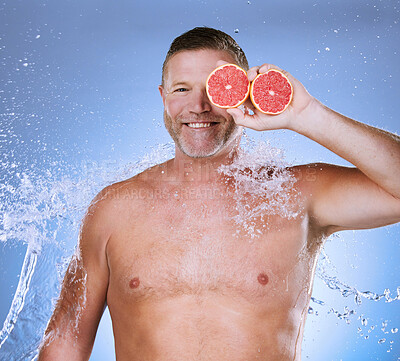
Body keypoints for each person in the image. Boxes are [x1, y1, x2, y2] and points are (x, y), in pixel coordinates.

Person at [38, 27, 400, 361]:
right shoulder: (113, 209)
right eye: (182, 89)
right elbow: (65, 344)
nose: (198, 106)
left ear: (243, 95)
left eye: (215, 89)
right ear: (163, 98)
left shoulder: (295, 195)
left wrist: (306, 114)